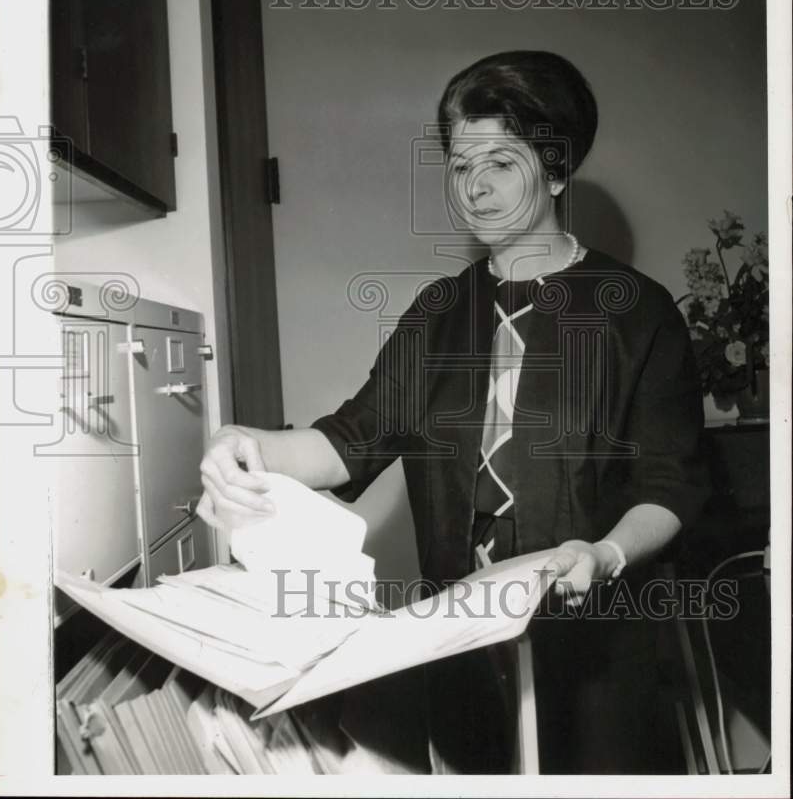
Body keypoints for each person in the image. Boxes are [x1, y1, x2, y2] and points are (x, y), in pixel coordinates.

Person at [197, 50, 709, 774]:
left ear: (557, 169)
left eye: (500, 162)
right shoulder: (437, 316)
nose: (475, 188)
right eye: (461, 167)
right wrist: (244, 443)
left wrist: (603, 554)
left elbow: (669, 483)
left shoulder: (639, 312)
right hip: (459, 643)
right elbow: (349, 441)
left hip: (596, 645)